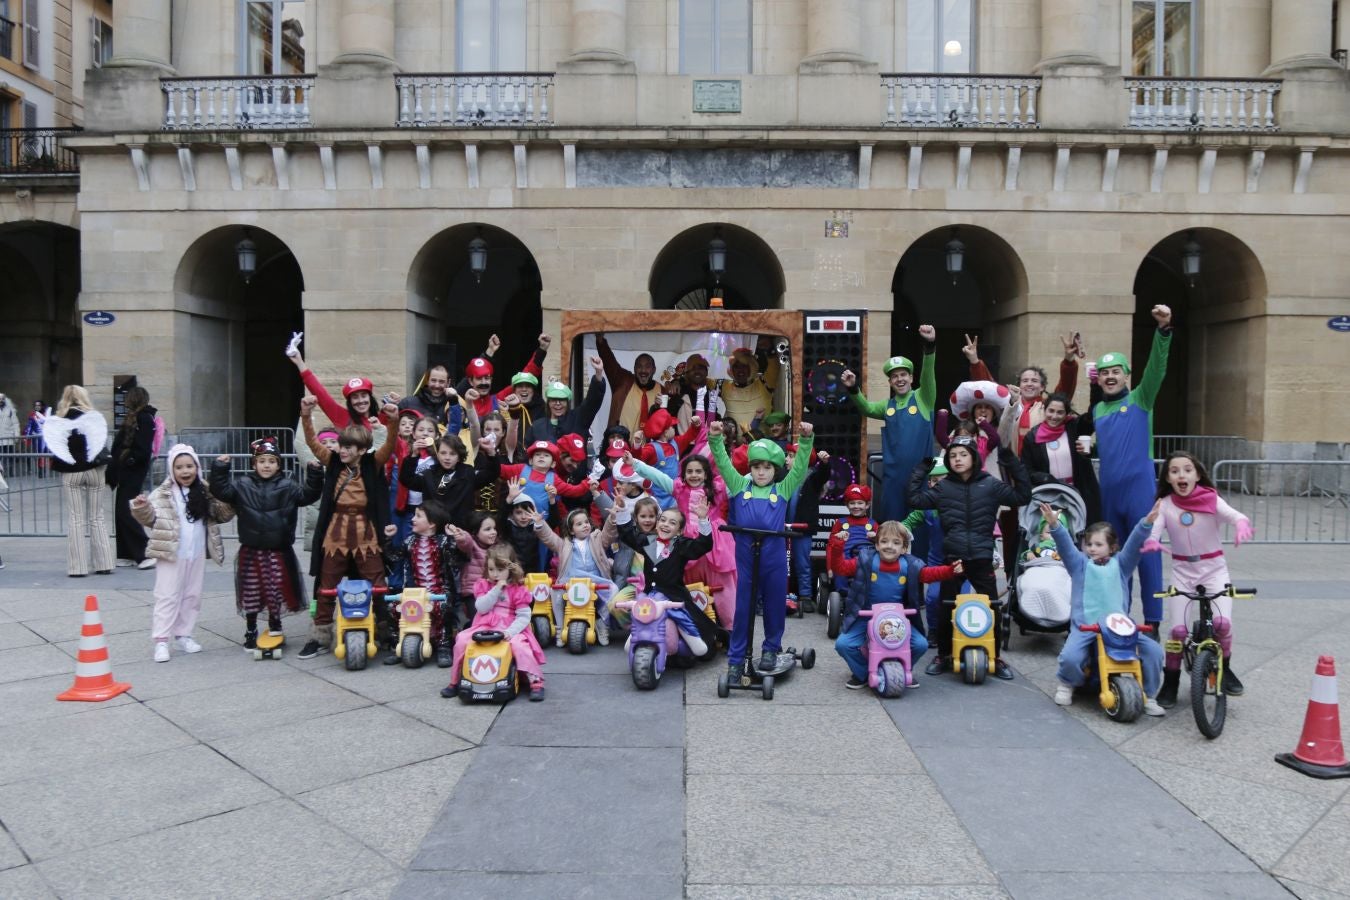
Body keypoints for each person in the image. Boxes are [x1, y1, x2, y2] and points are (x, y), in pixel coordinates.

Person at [906, 434, 1030, 679]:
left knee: (991, 607)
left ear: (974, 457)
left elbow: (1023, 496)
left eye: (963, 454)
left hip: (982, 556)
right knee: (946, 607)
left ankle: (994, 656)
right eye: (953, 456)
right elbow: (914, 499)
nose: (958, 459)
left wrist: (1012, 463)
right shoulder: (943, 487)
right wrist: (921, 470)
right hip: (954, 557)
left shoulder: (990, 484)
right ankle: (944, 654)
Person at [1081, 305, 1173, 628]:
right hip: (1110, 494)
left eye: (1115, 371)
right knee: (1114, 560)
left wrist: (1163, 331)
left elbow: (1156, 370)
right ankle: (1119, 617)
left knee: (1147, 556)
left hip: (1139, 491)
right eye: (1104, 373)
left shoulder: (1140, 399)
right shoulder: (1099, 412)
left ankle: (1153, 624)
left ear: (1125, 375)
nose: (1109, 376)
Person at [963, 332, 1081, 571]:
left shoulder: (1048, 407)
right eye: (1025, 379)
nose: (1029, 383)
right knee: (1008, 528)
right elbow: (987, 388)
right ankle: (1010, 575)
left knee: (1038, 526)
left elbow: (1065, 389)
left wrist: (1069, 361)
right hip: (1007, 477)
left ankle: (1041, 568)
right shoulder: (1010, 404)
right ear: (1018, 382)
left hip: (1036, 478)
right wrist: (976, 362)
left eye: (1035, 380)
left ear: (1043, 386)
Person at [1147, 451, 1255, 706]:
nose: (1181, 475)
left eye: (1187, 469)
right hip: (1183, 572)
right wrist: (1152, 540)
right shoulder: (1165, 504)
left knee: (1222, 624)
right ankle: (1171, 679)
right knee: (1177, 631)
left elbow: (1235, 515)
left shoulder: (1212, 499)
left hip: (1214, 570)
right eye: (1174, 471)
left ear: (1197, 475)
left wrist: (1241, 523)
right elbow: (1154, 529)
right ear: (1168, 478)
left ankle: (1225, 667)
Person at [709, 419, 815, 679]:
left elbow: (800, 468)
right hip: (745, 556)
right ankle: (736, 660)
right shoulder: (739, 486)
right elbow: (723, 463)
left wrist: (805, 440)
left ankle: (771, 648)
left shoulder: (782, 490)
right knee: (743, 607)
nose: (761, 472)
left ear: (775, 469)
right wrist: (714, 439)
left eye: (767, 467)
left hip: (774, 557)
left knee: (774, 604)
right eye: (756, 466)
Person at [299, 396, 401, 659]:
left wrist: (394, 421)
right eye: (342, 446)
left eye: (348, 447)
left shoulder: (372, 462)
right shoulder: (333, 461)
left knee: (377, 584)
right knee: (326, 585)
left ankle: (383, 630)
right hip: (336, 531)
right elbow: (312, 442)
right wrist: (306, 415)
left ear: (361, 449)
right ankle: (320, 636)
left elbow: (390, 446)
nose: (342, 450)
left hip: (366, 531)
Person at [1043, 500, 1166, 717]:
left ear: (1112, 547)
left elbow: (1135, 544)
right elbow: (1065, 546)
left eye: (1098, 544)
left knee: (1154, 652)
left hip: (1119, 628)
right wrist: (1055, 525)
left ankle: (1148, 694)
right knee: (1070, 657)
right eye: (1089, 544)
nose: (1092, 548)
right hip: (1086, 627)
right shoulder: (1079, 564)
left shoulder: (1122, 564)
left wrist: (1146, 523)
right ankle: (1068, 683)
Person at [208, 437, 324, 650]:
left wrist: (316, 475)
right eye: (262, 461)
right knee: (251, 591)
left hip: (278, 550)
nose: (267, 465)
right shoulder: (243, 484)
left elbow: (308, 495)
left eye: (272, 461)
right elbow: (221, 491)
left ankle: (275, 624)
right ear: (254, 464)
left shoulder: (288, 486)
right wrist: (220, 468)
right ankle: (251, 628)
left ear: (279, 465)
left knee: (275, 590)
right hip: (251, 550)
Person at [131, 444, 235, 662]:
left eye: (189, 466)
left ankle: (184, 634)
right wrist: (141, 507)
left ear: (197, 467)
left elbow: (222, 514)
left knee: (192, 595)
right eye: (179, 467)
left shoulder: (205, 491)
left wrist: (227, 489)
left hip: (195, 552)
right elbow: (150, 519)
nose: (185, 471)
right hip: (171, 552)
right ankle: (161, 640)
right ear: (172, 470)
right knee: (167, 596)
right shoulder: (162, 494)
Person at [831, 520, 962, 689]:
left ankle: (903, 669)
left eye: (896, 543)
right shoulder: (865, 561)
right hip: (866, 615)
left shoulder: (910, 566)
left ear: (904, 548)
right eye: (884, 541)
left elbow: (930, 574)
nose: (889, 546)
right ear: (877, 545)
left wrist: (950, 570)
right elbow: (840, 567)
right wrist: (837, 546)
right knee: (843, 644)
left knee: (920, 644)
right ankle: (862, 672)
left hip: (898, 619)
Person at [626, 448, 737, 627]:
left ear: (706, 473)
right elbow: (658, 477)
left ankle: (730, 628)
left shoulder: (718, 489)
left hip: (716, 541)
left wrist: (758, 472)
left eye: (699, 471)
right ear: (683, 474)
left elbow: (739, 481)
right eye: (690, 471)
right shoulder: (679, 489)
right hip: (684, 540)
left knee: (723, 586)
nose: (694, 475)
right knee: (684, 583)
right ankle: (687, 626)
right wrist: (636, 464)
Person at [842, 324, 937, 523]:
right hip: (893, 479)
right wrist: (853, 389)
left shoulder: (923, 398)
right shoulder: (888, 405)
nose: (899, 379)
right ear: (890, 382)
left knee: (919, 524)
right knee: (892, 522)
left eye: (903, 375)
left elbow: (928, 373)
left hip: (919, 478)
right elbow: (866, 408)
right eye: (894, 376)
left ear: (911, 378)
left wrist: (929, 346)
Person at [614, 490, 719, 656]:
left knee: (682, 619)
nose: (665, 524)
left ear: (679, 531)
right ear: (657, 524)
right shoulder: (648, 541)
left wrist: (702, 520)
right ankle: (636, 639)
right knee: (642, 615)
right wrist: (621, 510)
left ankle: (696, 643)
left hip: (674, 596)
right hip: (649, 595)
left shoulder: (681, 545)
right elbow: (628, 535)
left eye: (672, 523)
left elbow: (702, 546)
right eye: (663, 520)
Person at [442, 545, 548, 701]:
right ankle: (455, 681)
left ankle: (535, 681)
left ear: (510, 569)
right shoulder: (483, 585)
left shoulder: (518, 589)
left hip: (510, 627)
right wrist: (496, 590)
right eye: (491, 569)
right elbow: (481, 607)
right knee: (462, 640)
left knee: (520, 646)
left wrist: (510, 632)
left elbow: (524, 616)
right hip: (485, 625)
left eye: (500, 570)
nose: (495, 574)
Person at [42, 385, 115, 577]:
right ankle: (104, 563)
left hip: (71, 471)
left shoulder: (58, 421)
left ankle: (78, 567)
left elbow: (55, 447)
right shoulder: (93, 418)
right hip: (94, 470)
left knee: (76, 518)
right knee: (97, 516)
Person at [382, 502, 459, 667]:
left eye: (418, 516)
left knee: (443, 607)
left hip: (439, 591)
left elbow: (454, 562)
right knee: (393, 607)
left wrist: (452, 539)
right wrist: (389, 539)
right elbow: (394, 557)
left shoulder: (443, 542)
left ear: (431, 524)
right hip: (416, 593)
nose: (413, 519)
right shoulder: (410, 541)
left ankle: (444, 646)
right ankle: (399, 645)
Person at [531, 506, 620, 647]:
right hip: (570, 580)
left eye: (586, 522)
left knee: (614, 589)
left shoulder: (596, 538)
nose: (585, 525)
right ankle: (560, 628)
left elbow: (609, 534)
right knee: (555, 591)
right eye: (579, 524)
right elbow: (549, 538)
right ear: (571, 530)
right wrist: (540, 524)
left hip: (594, 580)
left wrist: (613, 518)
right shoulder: (565, 544)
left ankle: (601, 622)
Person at [1019, 392, 1101, 525]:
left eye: (1060, 412)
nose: (1054, 416)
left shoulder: (1074, 428)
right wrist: (1044, 478)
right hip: (1050, 496)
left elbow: (1092, 415)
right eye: (1051, 411)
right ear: (1044, 410)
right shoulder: (1032, 437)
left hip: (1080, 494)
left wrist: (1095, 385)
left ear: (1066, 414)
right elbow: (1026, 469)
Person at [285, 332, 387, 436]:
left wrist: (392, 405)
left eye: (364, 396)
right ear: (350, 402)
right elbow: (320, 394)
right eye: (355, 397)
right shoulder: (342, 417)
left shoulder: (382, 419)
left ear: (370, 398)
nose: (360, 401)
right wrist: (299, 362)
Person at [398, 432, 501, 529]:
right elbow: (407, 479)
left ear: (459, 456)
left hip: (461, 531)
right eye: (443, 453)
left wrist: (491, 452)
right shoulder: (429, 474)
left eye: (452, 454)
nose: (447, 458)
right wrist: (414, 456)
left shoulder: (467, 473)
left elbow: (491, 474)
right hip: (434, 530)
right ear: (437, 454)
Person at [109, 386, 159, 569]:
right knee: (120, 510)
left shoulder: (144, 418)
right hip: (127, 470)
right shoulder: (136, 418)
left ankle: (144, 553)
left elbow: (143, 449)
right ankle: (126, 553)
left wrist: (128, 460)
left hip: (133, 470)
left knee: (127, 510)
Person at [784, 442, 831, 613]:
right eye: (787, 455)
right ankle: (781, 593)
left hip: (802, 528)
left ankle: (805, 595)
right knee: (782, 563)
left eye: (791, 456)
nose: (786, 459)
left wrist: (825, 464)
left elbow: (823, 476)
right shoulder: (783, 477)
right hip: (783, 529)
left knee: (802, 562)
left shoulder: (812, 478)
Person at [526, 357, 607, 445]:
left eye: (561, 400)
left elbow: (592, 402)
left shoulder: (578, 418)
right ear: (548, 402)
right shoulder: (537, 426)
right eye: (554, 400)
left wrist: (598, 373)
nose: (557, 403)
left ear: (567, 402)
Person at [596, 333, 663, 435]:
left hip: (649, 448)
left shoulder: (662, 390)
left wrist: (676, 384)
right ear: (634, 369)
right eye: (639, 366)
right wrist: (601, 341)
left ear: (654, 369)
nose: (643, 370)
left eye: (647, 366)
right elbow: (609, 362)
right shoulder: (623, 380)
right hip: (620, 446)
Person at [449, 510, 503, 631]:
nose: (493, 532)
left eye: (494, 528)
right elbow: (465, 542)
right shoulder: (471, 546)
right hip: (473, 593)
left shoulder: (499, 547)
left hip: (494, 590)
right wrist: (461, 536)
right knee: (480, 621)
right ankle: (470, 629)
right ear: (475, 532)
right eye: (487, 529)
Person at [718, 347, 775, 434]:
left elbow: (774, 367)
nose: (740, 370)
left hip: (762, 445)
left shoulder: (763, 384)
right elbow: (702, 381)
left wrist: (769, 348)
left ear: (751, 367)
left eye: (744, 366)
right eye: (736, 366)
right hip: (734, 446)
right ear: (732, 369)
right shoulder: (724, 386)